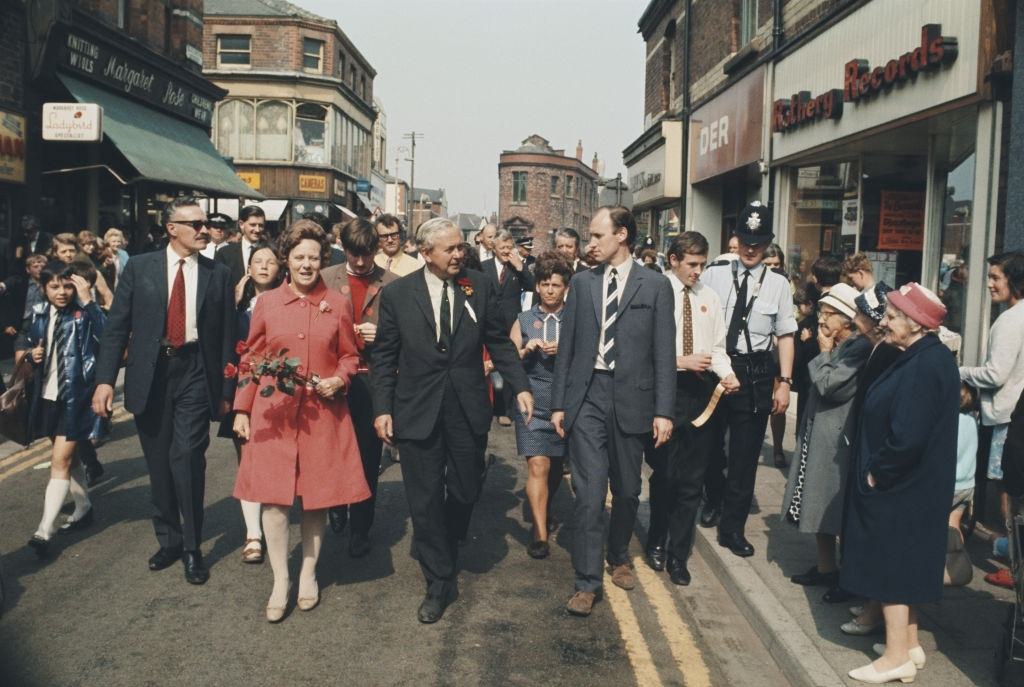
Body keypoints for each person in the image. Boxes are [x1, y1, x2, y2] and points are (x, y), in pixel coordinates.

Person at [371, 217, 532, 623]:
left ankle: (449, 533)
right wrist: (383, 408)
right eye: (450, 249)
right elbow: (385, 357)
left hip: (466, 406)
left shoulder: (478, 286)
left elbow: (497, 340)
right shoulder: (398, 295)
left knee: (464, 488)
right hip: (416, 409)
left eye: (461, 247)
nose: (460, 254)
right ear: (426, 253)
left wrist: (521, 386)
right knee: (424, 500)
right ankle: (439, 581)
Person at [92, 196, 236, 586]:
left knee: (187, 456)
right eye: (196, 224)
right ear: (172, 227)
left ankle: (192, 547)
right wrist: (106, 380)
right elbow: (116, 328)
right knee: (158, 463)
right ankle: (169, 538)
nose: (204, 230)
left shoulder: (217, 273)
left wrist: (226, 388)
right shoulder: (140, 269)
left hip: (194, 370)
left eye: (205, 224)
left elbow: (226, 337)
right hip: (151, 374)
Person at [232, 219, 369, 622]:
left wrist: (339, 379)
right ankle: (281, 579)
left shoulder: (338, 303)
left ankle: (308, 574)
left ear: (322, 259)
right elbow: (251, 358)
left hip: (321, 415)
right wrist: (241, 408)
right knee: (273, 501)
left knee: (316, 501)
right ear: (285, 260)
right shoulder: (268, 303)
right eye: (299, 257)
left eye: (313, 257)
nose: (307, 265)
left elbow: (350, 356)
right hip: (273, 415)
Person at [550, 206, 676, 616]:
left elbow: (664, 352)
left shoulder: (655, 286)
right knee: (588, 495)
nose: (590, 245)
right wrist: (558, 403)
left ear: (622, 235)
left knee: (626, 489)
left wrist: (664, 410)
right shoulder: (583, 284)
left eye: (597, 237)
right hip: (588, 395)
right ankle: (587, 582)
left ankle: (618, 554)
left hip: (633, 399)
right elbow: (567, 348)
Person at [840, 283, 958, 684]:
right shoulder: (927, 356)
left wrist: (878, 471)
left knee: (892, 568)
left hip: (901, 485)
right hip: (915, 486)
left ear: (916, 324)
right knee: (906, 566)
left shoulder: (924, 365)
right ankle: (908, 645)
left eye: (891, 317)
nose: (884, 323)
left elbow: (907, 436)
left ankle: (895, 659)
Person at [699, 202, 797, 557]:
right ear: (735, 239)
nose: (751, 248)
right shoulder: (714, 274)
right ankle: (712, 495)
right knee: (708, 447)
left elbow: (785, 335)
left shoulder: (779, 285)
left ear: (768, 242)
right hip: (713, 370)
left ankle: (732, 528)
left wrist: (784, 382)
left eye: (759, 242)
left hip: (754, 372)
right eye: (746, 240)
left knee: (744, 455)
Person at [644, 232, 738, 586]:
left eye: (703, 264)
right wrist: (681, 361)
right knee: (666, 475)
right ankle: (656, 537)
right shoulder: (654, 292)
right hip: (665, 394)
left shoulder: (710, 298)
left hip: (701, 397)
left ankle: (677, 555)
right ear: (673, 260)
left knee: (692, 481)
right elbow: (643, 353)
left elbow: (717, 349)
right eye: (692, 264)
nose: (699, 271)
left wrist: (727, 375)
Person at [782, 283, 870, 603]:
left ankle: (848, 576)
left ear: (847, 319)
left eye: (829, 314)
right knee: (817, 503)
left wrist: (822, 353)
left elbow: (830, 385)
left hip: (837, 441)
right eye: (821, 311)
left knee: (835, 508)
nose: (821, 319)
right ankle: (825, 567)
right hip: (819, 433)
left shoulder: (857, 348)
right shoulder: (835, 342)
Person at [321, 218, 397, 557]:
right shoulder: (325, 279)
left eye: (367, 254)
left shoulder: (394, 284)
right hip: (333, 378)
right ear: (343, 249)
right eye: (354, 255)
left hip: (372, 378)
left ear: (377, 250)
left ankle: (361, 528)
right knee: (331, 451)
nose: (361, 262)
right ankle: (336, 505)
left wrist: (380, 334)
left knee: (368, 458)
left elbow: (404, 337)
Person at [19, 262, 106, 557]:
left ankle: (45, 529)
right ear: (43, 287)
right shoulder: (40, 313)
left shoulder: (83, 313)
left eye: (67, 286)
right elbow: (28, 348)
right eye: (55, 286)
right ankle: (84, 507)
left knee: (60, 460)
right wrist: (32, 354)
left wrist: (89, 301)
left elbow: (108, 336)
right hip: (45, 397)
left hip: (76, 397)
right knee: (71, 460)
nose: (62, 292)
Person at [839, 281, 901, 637]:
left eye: (861, 311)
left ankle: (873, 613)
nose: (855, 316)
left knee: (874, 539)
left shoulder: (887, 353)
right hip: (864, 445)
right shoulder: (874, 348)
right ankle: (870, 605)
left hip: (877, 453)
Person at [959, 251, 1024, 589]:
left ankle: (1015, 563)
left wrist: (959, 370)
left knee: (1008, 492)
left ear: (1013, 280)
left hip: (1006, 417)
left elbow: (996, 373)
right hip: (1015, 414)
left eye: (996, 277)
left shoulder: (1011, 319)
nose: (989, 284)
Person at [218, 241, 282, 564]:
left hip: (277, 389)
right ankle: (253, 535)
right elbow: (223, 340)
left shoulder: (286, 300)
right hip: (243, 385)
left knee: (274, 462)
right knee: (247, 461)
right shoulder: (238, 304)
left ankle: (273, 527)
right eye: (257, 260)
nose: (264, 266)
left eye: (270, 261)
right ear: (248, 268)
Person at [509, 252, 571, 559]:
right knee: (538, 464)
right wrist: (524, 349)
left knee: (556, 467)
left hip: (565, 401)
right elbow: (507, 360)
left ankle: (545, 508)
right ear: (537, 286)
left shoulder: (575, 319)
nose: (549, 290)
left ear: (565, 288)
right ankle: (539, 531)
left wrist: (566, 348)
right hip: (531, 399)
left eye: (556, 285)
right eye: (544, 284)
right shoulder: (523, 320)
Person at [482, 229, 536, 427]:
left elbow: (532, 285)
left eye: (508, 247)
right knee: (487, 364)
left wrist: (520, 267)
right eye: (502, 247)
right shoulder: (483, 267)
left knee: (510, 362)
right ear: (493, 248)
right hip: (489, 323)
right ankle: (489, 407)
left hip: (512, 323)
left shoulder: (516, 268)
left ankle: (505, 410)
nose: (506, 251)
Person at [763, 243, 791, 467]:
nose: (773, 268)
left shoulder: (785, 285)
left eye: (776, 264)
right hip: (758, 350)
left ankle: (779, 448)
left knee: (778, 402)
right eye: (768, 264)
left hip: (777, 349)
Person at [216, 205, 266, 287]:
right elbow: (218, 285)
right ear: (241, 224)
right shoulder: (225, 253)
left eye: (260, 225)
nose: (257, 230)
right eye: (253, 225)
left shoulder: (271, 251)